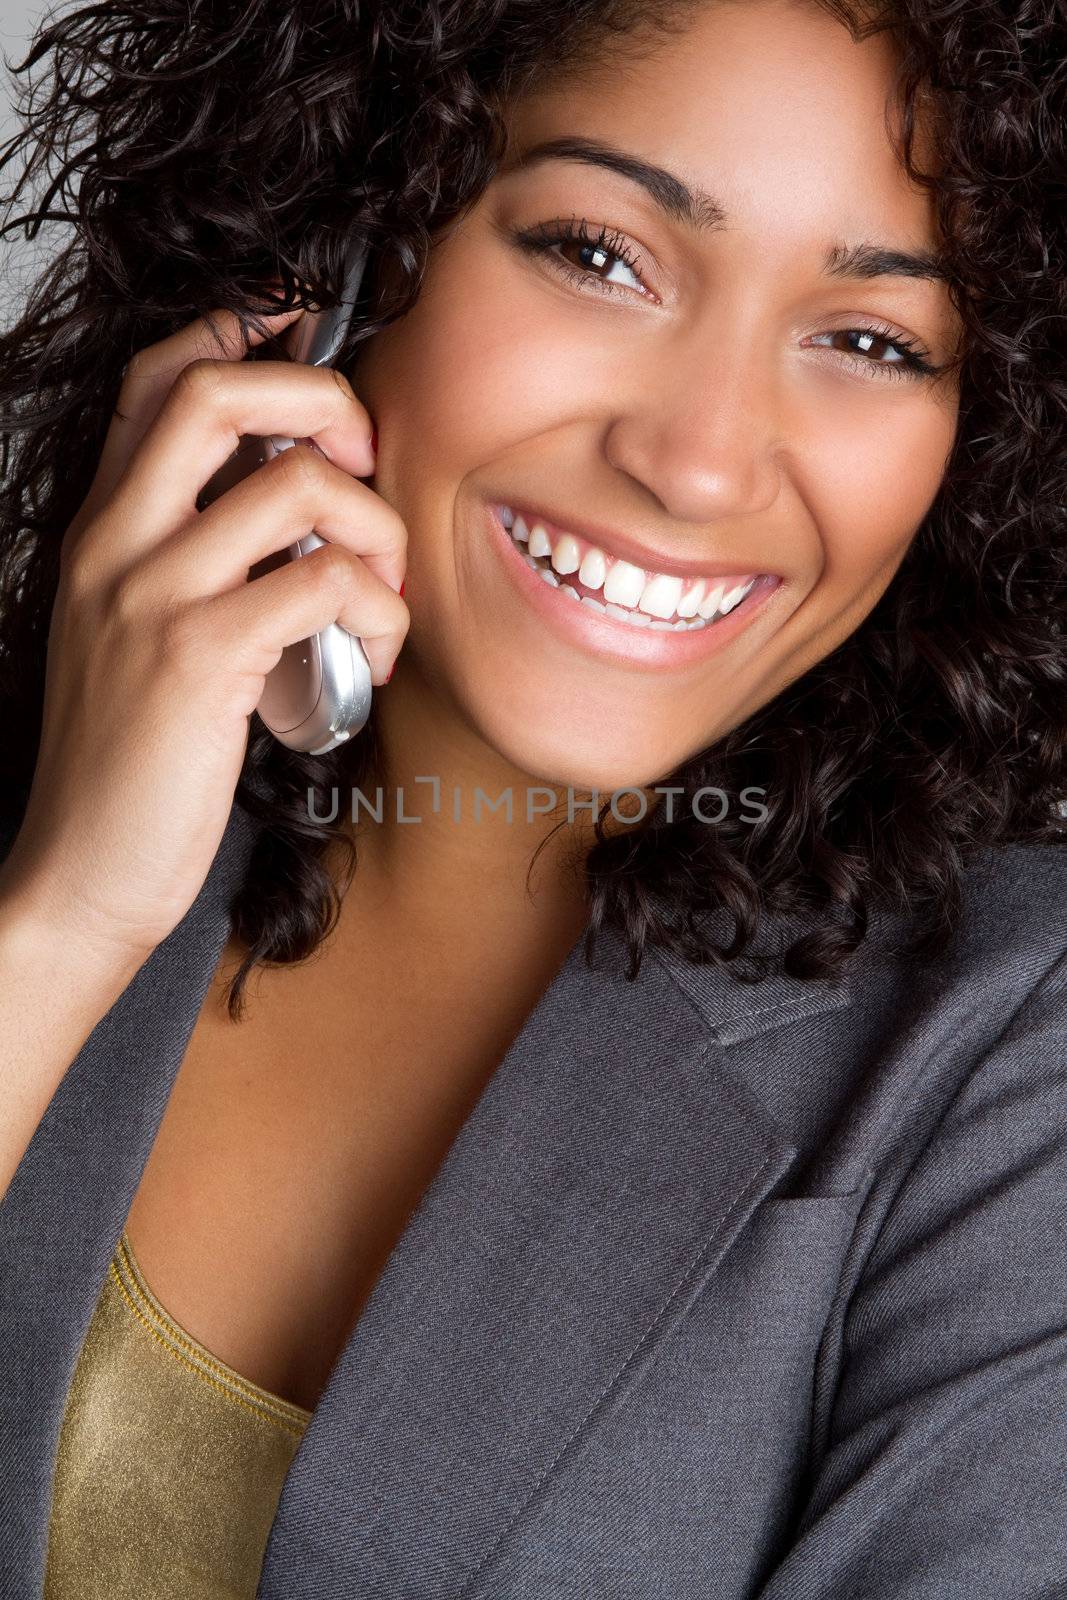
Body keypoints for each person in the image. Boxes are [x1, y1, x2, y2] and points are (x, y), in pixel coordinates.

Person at [0, 0, 1063, 1595]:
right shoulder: (64, 815)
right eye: (598, 253)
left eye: (871, 341)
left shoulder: (1013, 1052)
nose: (701, 463)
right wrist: (66, 919)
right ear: (337, 252)